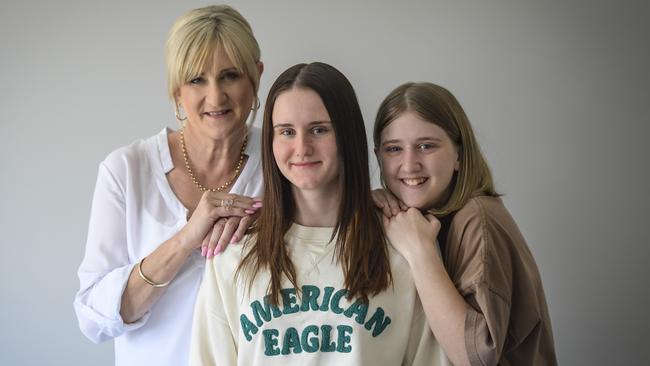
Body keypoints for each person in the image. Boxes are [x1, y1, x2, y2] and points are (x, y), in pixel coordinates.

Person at [189, 63, 450, 365]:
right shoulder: (234, 250)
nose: (302, 148)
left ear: (347, 135)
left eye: (319, 129)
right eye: (286, 132)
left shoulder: (405, 246)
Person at [74, 5, 265, 365]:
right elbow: (92, 319)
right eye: (197, 80)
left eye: (230, 75)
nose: (216, 96)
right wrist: (186, 238)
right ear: (177, 90)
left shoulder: (283, 161)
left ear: (256, 76)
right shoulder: (126, 171)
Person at [373, 82, 558, 365]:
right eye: (394, 149)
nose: (409, 164)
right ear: (378, 156)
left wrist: (419, 251)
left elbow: (476, 357)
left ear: (458, 154)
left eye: (426, 146)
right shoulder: (422, 215)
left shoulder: (477, 219)